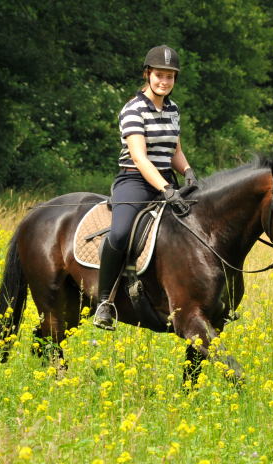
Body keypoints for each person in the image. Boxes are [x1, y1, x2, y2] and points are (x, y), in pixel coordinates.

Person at [93, 45, 198, 330]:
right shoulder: (133, 109)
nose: (165, 82)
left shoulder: (173, 109)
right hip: (135, 181)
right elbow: (139, 157)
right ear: (148, 74)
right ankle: (105, 301)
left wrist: (187, 171)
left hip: (166, 180)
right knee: (121, 232)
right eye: (160, 75)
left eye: (170, 77)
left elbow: (173, 150)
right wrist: (165, 189)